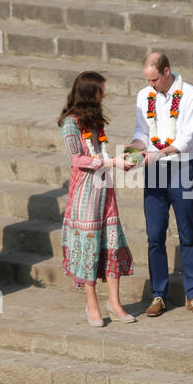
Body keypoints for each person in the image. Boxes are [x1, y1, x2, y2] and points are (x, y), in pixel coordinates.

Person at [127, 52, 193, 317]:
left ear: (166, 71)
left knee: (187, 232)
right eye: (147, 80)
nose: (151, 85)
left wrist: (157, 153)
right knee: (154, 235)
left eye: (154, 80)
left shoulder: (190, 94)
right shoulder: (144, 96)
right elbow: (143, 131)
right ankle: (159, 295)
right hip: (153, 170)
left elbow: (186, 138)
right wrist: (134, 147)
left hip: (182, 167)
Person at [58, 71, 136, 326]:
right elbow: (77, 159)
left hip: (105, 189)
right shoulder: (71, 123)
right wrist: (110, 161)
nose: (105, 94)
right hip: (84, 193)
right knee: (88, 247)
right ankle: (92, 304)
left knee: (111, 242)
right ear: (91, 94)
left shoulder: (96, 122)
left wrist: (117, 162)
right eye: (102, 90)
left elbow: (100, 150)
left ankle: (114, 302)